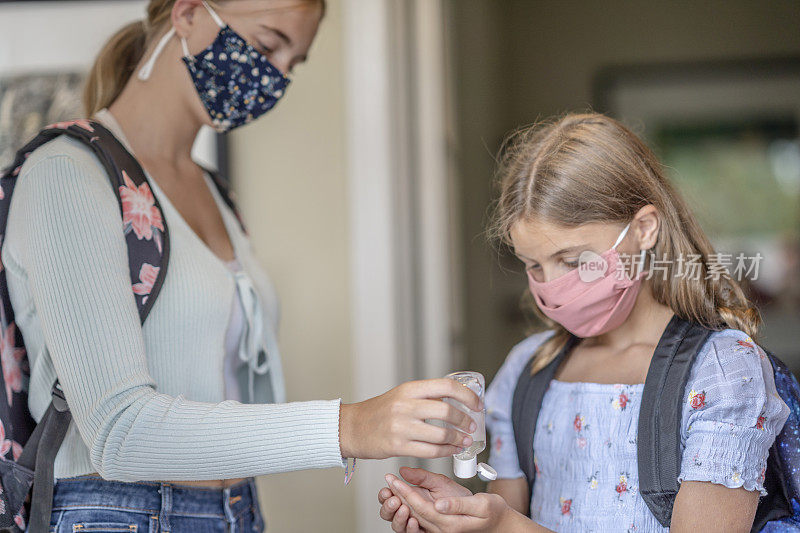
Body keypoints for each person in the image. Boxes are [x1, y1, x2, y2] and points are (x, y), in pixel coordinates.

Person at [4, 0, 481, 529]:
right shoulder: (67, 173)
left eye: (292, 64)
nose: (274, 76)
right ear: (187, 14)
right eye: (268, 45)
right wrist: (353, 425)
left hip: (234, 510)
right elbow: (119, 433)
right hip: (118, 514)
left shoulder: (215, 192)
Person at [377, 113, 791, 532]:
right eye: (533, 266)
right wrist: (462, 518)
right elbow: (502, 516)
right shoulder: (526, 370)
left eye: (575, 262)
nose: (554, 288)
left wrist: (505, 527)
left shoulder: (721, 373)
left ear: (644, 229)